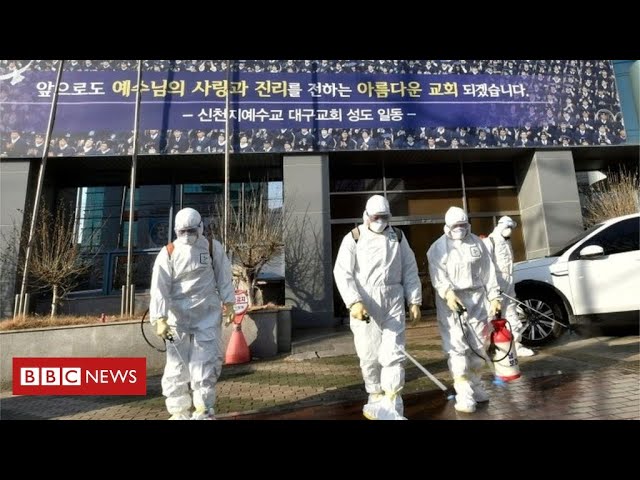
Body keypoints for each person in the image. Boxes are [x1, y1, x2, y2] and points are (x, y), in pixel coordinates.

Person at [333, 195, 422, 420]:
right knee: (369, 353)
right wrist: (354, 301)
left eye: (384, 217)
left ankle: (392, 401)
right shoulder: (354, 237)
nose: (380, 221)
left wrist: (414, 300)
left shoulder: (397, 237)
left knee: (394, 353)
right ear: (366, 216)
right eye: (376, 217)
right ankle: (375, 394)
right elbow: (342, 272)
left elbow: (409, 268)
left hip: (393, 299)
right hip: (366, 302)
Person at [149, 207, 236, 420]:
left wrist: (229, 302)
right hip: (176, 319)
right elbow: (159, 287)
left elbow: (224, 276)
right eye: (183, 231)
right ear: (176, 231)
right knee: (176, 366)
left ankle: (203, 409)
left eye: (191, 231)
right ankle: (178, 412)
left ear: (200, 227)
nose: (187, 236)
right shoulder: (168, 253)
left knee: (206, 363)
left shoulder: (212, 248)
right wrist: (159, 318)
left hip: (207, 315)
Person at [427, 206, 502, 413]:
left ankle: (476, 386)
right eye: (455, 226)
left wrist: (494, 297)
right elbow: (437, 274)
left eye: (462, 225)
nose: (459, 229)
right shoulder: (438, 248)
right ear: (447, 226)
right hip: (452, 302)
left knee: (479, 345)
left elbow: (489, 272)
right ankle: (463, 393)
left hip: (477, 299)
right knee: (457, 347)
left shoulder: (477, 243)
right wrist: (447, 293)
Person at [483, 216, 535, 357]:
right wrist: (492, 287)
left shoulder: (507, 242)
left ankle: (516, 345)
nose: (509, 230)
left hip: (509, 282)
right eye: (507, 227)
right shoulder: (490, 241)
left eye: (511, 228)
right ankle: (486, 347)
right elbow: (486, 267)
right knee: (491, 315)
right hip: (496, 283)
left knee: (511, 312)